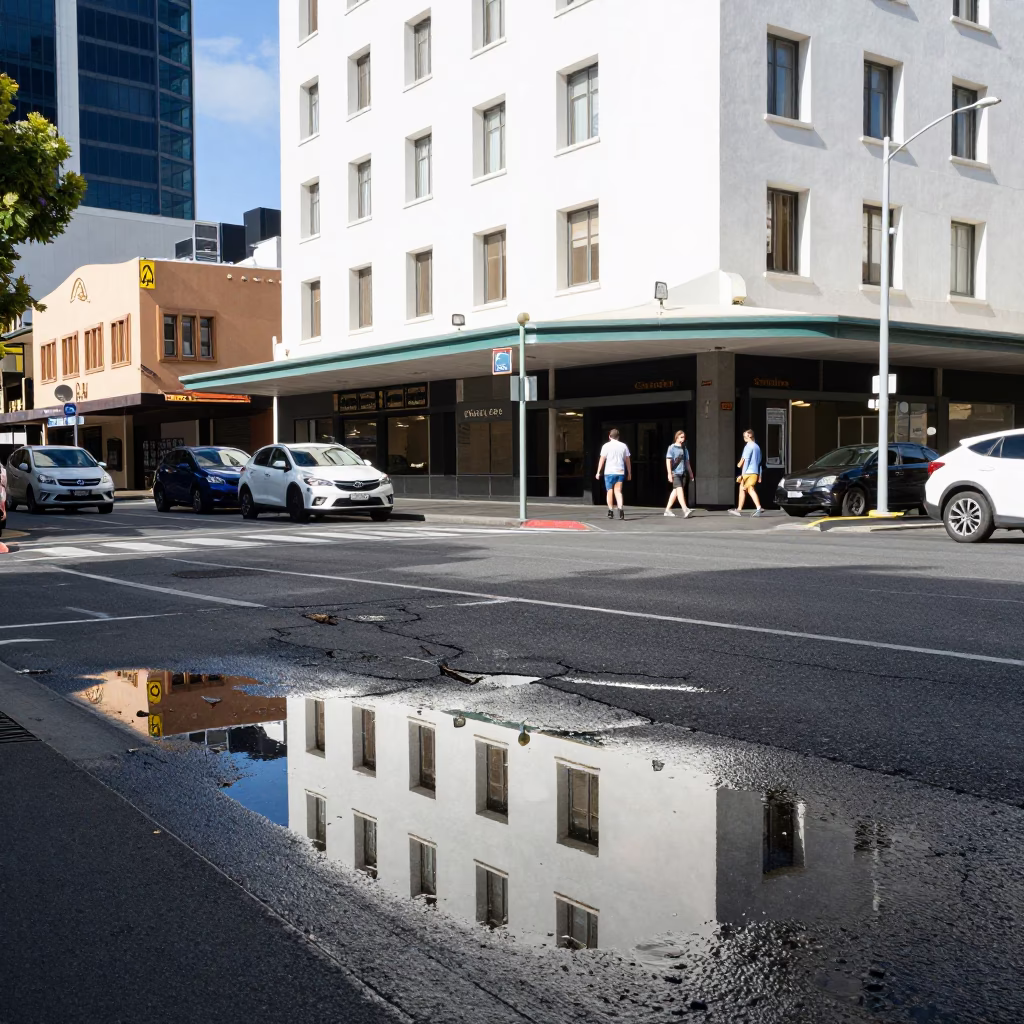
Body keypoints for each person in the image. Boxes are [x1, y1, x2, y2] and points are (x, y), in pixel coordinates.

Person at [595, 428, 631, 520]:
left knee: (609, 491)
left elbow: (602, 459)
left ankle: (610, 511)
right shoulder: (624, 446)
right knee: (618, 491)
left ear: (609, 436)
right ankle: (621, 508)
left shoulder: (606, 446)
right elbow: (627, 460)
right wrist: (629, 473)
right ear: (618, 437)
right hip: (620, 471)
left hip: (609, 472)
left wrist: (598, 472)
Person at [729, 428, 765, 517]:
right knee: (744, 489)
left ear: (749, 435)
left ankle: (758, 507)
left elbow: (745, 461)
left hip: (748, 472)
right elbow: (760, 462)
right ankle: (739, 509)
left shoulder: (748, 446)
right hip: (755, 472)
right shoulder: (757, 447)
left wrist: (742, 474)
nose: (743, 437)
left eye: (745, 435)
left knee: (750, 489)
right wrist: (759, 475)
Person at [664, 429, 695, 518]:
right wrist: (669, 473)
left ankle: (667, 510)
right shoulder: (671, 448)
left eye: (684, 437)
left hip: (682, 473)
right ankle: (685, 509)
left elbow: (687, 463)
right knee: (679, 490)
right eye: (681, 437)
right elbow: (668, 461)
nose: (683, 439)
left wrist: (691, 473)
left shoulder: (685, 449)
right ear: (676, 438)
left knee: (675, 491)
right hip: (675, 473)